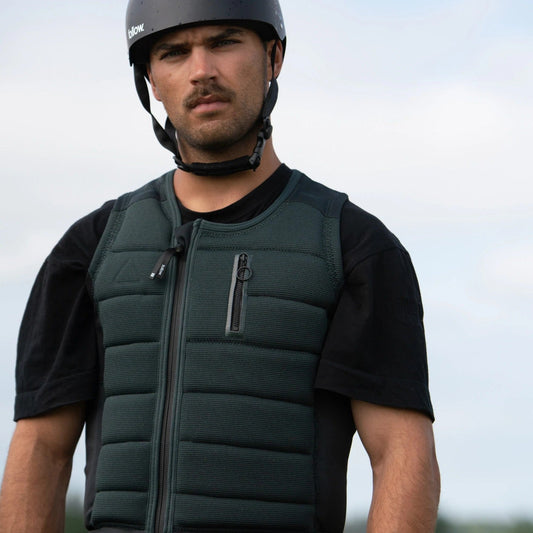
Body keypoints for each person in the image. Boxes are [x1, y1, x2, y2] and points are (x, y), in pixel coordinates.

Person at [0, 1, 440, 532]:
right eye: (173, 52)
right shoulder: (89, 249)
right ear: (151, 80)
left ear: (274, 56)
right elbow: (41, 449)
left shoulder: (354, 247)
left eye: (224, 42)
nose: (201, 71)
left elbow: (400, 453)